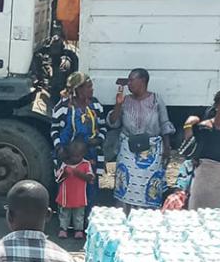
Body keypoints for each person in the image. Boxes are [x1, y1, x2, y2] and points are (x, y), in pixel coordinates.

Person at [107, 68, 175, 213]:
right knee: (126, 185)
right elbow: (114, 123)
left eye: (132, 80)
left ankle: (146, 221)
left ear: (142, 81)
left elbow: (164, 124)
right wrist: (118, 104)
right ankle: (124, 217)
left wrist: (167, 148)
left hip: (151, 153)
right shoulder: (125, 101)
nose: (129, 84)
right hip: (128, 151)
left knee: (148, 187)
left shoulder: (156, 99)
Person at [51, 72, 106, 211]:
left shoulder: (95, 105)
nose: (92, 89)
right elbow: (54, 130)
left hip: (91, 155)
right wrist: (59, 148)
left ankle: (87, 222)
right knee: (68, 188)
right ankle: (67, 225)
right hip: (67, 156)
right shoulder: (62, 107)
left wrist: (98, 140)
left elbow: (103, 127)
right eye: (88, 87)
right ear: (78, 89)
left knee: (90, 188)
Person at [188, 89, 220, 210]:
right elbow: (191, 148)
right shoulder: (204, 128)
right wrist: (188, 125)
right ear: (217, 107)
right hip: (204, 182)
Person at [55, 139, 95, 239]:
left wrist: (79, 174)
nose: (75, 158)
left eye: (78, 156)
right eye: (72, 156)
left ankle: (78, 230)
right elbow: (58, 178)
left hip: (79, 196)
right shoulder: (65, 164)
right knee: (65, 214)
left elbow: (90, 178)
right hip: (66, 195)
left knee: (79, 214)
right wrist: (65, 173)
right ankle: (63, 229)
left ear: (83, 154)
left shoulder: (86, 164)